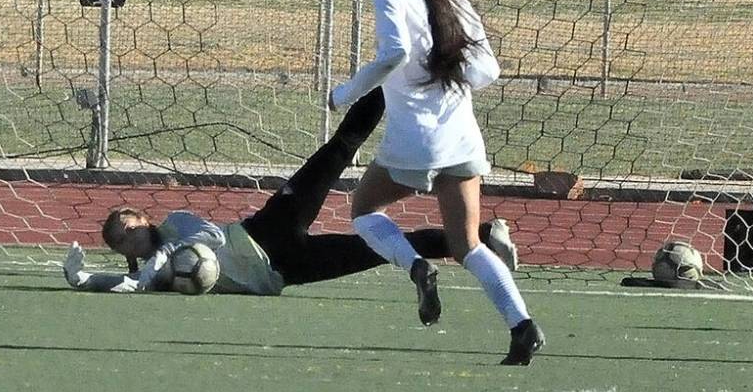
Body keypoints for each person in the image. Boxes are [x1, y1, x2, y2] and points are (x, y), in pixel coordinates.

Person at [63, 88, 521, 326]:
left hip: (267, 230)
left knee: (335, 153)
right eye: (123, 239)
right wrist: (85, 280)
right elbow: (123, 283)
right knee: (378, 248)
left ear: (145, 219)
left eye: (129, 224)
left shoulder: (175, 228)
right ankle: (484, 237)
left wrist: (160, 256)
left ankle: (387, 87)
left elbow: (213, 237)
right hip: (284, 272)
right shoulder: (152, 278)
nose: (131, 235)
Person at [329, 0, 544, 366]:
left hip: (413, 142)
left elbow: (392, 55)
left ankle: (416, 266)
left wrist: (344, 94)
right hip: (461, 140)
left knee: (364, 210)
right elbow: (489, 71)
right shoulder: (458, 3)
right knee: (467, 246)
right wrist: (448, 66)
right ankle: (522, 326)